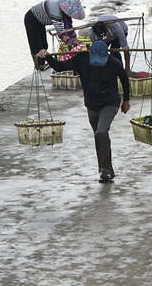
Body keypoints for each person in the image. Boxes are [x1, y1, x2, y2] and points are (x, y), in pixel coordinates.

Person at [36, 41, 130, 183]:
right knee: (100, 136)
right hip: (92, 104)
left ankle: (104, 171)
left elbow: (124, 78)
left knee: (101, 132)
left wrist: (126, 100)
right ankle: (108, 169)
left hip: (110, 103)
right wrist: (47, 56)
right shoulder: (81, 59)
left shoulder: (113, 62)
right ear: (90, 53)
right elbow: (60, 66)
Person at [24, 0, 84, 70]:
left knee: (44, 44)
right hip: (31, 19)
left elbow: (69, 27)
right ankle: (39, 65)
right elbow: (60, 32)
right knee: (37, 46)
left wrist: (74, 38)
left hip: (40, 23)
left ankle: (43, 63)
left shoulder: (64, 8)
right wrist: (71, 41)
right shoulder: (56, 12)